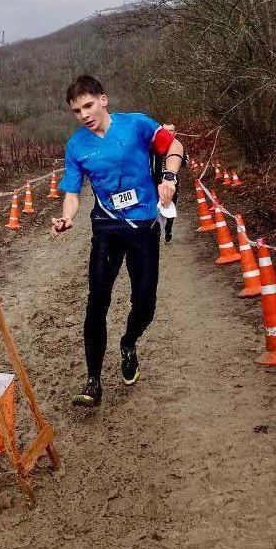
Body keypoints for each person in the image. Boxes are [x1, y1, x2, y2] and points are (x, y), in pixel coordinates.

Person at [51, 75, 184, 407]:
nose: (83, 114)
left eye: (88, 105)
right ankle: (93, 381)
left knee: (145, 304)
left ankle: (129, 342)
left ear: (103, 99)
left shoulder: (137, 124)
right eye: (76, 110)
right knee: (97, 301)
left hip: (143, 227)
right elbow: (72, 193)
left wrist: (168, 176)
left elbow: (174, 146)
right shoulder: (76, 146)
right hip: (107, 228)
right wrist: (67, 216)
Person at [150, 123, 187, 243]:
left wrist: (180, 160)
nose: (168, 133)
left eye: (171, 130)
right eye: (165, 130)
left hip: (172, 182)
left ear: (175, 132)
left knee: (170, 204)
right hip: (155, 181)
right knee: (155, 206)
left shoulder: (177, 145)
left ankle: (168, 227)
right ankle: (157, 228)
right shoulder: (153, 146)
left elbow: (185, 162)